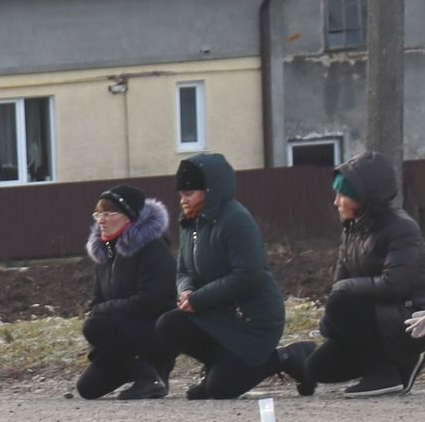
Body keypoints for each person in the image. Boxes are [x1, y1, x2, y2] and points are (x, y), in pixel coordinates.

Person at [273, 152, 425, 397]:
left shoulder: (401, 228)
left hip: (412, 317)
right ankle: (403, 365)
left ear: (364, 198)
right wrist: (335, 319)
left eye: (343, 195)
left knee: (342, 299)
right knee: (317, 368)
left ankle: (383, 376)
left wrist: (342, 298)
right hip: (377, 321)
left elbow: (395, 285)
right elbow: (339, 281)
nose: (336, 202)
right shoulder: (353, 229)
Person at [155, 153, 285, 399]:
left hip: (251, 320)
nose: (183, 200)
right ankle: (219, 367)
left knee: (220, 390)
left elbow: (248, 276)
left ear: (210, 190)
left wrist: (199, 300)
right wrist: (185, 291)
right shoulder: (190, 223)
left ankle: (285, 358)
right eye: (181, 194)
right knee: (168, 325)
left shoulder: (236, 220)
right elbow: (183, 269)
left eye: (189, 194)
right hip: (217, 314)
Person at [77, 184, 175, 399]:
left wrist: (104, 311)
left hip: (153, 334)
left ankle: (151, 376)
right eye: (98, 214)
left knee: (95, 325)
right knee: (88, 388)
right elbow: (96, 301)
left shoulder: (153, 249)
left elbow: (151, 301)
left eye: (109, 213)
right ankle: (144, 373)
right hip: (122, 338)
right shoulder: (106, 253)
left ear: (129, 216)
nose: (101, 220)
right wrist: (101, 313)